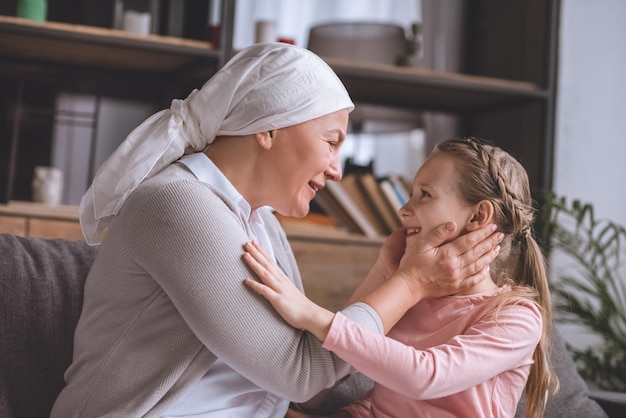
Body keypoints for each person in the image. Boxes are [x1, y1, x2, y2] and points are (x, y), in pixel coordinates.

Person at [51, 43, 502, 417]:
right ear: (269, 128)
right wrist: (412, 282)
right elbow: (302, 372)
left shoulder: (260, 222)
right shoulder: (178, 204)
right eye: (331, 142)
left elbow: (304, 389)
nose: (337, 171)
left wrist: (387, 274)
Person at [243, 137, 559, 418]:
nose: (404, 209)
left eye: (424, 195)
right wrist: (386, 270)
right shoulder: (412, 294)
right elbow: (379, 400)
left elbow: (424, 378)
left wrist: (310, 314)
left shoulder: (514, 318)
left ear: (478, 216)